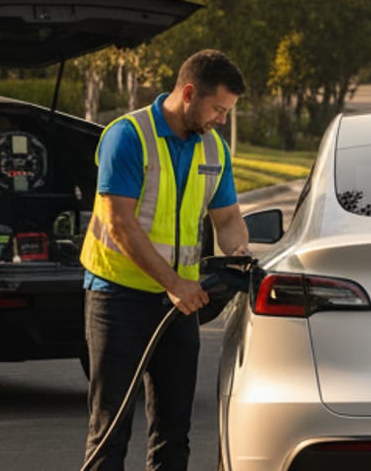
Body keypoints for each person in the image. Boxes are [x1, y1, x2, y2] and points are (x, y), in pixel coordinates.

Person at [79, 49, 249, 471]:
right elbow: (119, 222)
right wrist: (174, 283)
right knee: (110, 433)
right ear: (189, 93)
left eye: (227, 112)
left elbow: (226, 218)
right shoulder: (128, 136)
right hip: (117, 301)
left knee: (174, 433)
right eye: (218, 109)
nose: (221, 121)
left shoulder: (214, 150)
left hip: (178, 309)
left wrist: (240, 252)